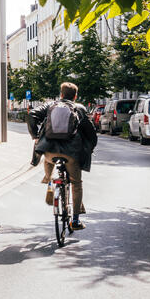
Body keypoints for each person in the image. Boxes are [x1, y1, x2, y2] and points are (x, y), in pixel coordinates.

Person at [26, 82, 98, 230]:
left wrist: (35, 136)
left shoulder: (49, 105)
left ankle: (50, 182)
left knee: (48, 160)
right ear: (75, 96)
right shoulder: (79, 108)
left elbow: (32, 115)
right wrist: (90, 148)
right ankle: (76, 221)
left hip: (49, 153)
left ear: (61, 94)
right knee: (76, 183)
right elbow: (91, 133)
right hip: (71, 154)